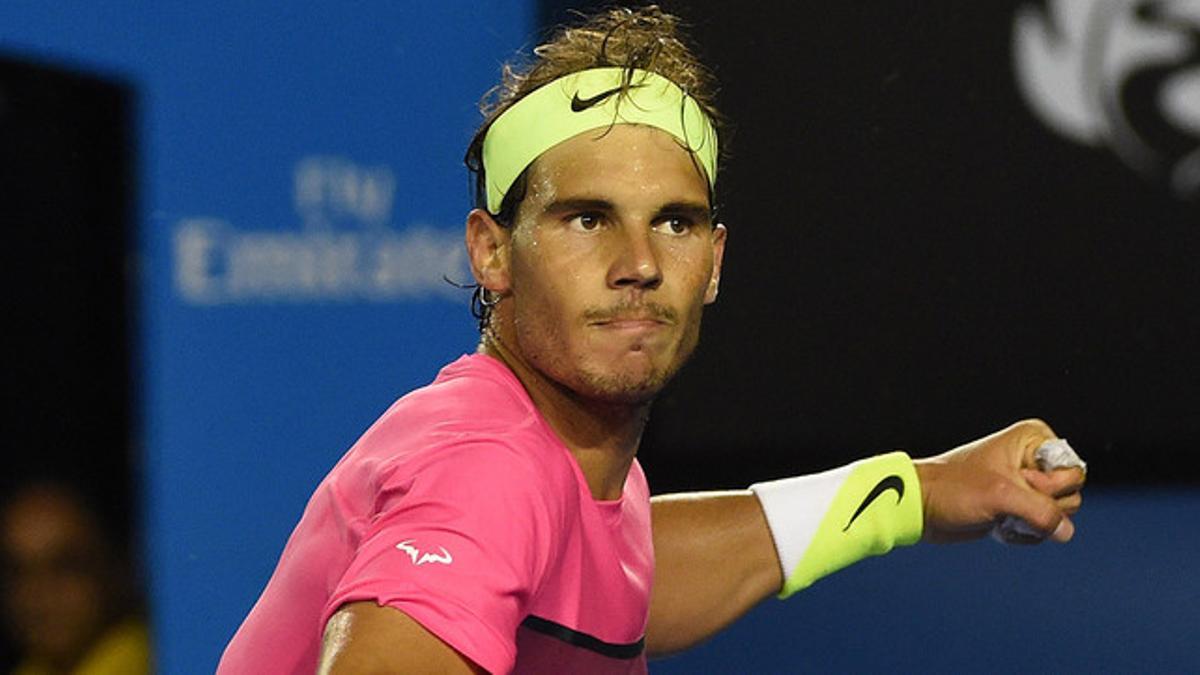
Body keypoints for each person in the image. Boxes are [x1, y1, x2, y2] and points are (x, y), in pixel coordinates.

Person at [218, 6, 1086, 674]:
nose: (637, 261)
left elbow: (622, 574)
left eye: (673, 222)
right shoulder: (487, 470)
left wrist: (922, 490)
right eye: (586, 218)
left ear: (712, 261)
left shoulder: (568, 473)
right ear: (493, 252)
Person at [1, 480, 152, 675]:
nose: (37, 592)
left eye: (65, 566)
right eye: (17, 572)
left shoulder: (164, 659)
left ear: (118, 566)